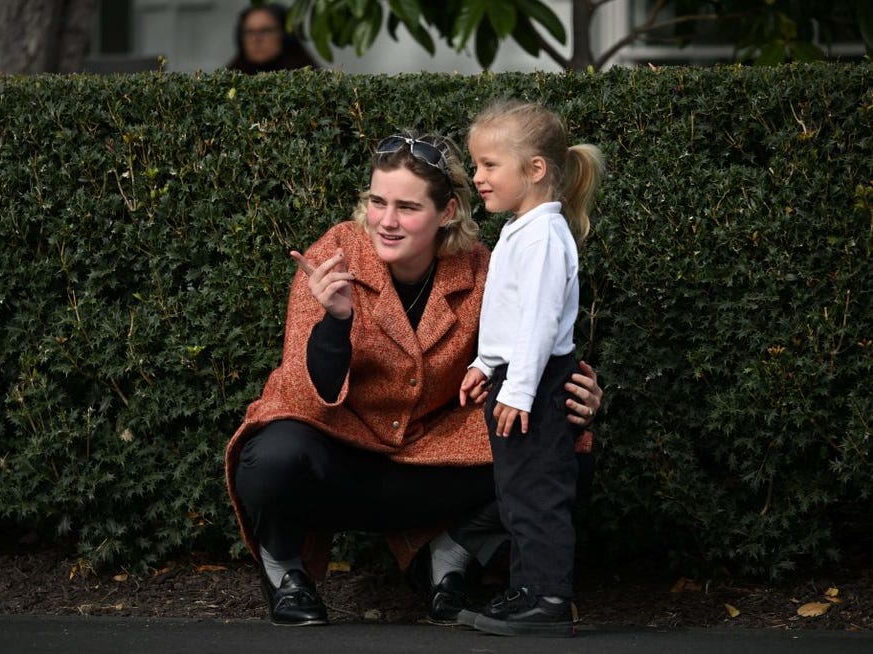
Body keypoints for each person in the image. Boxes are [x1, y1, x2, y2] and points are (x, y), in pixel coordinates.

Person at [224, 131, 603, 627]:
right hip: (335, 450)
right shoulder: (335, 252)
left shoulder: (482, 268)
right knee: (271, 456)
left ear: (446, 213)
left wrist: (573, 395)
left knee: (563, 450)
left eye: (407, 206)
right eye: (377, 201)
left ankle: (447, 559)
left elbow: (531, 339)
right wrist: (335, 322)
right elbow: (304, 392)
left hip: (427, 456)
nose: (386, 220)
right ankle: (284, 568)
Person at [455, 100, 606, 637]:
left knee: (538, 491)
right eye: (477, 166)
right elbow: (509, 316)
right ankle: (525, 591)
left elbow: (540, 325)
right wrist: (483, 363)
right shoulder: (523, 228)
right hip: (518, 377)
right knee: (516, 490)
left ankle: (547, 599)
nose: (479, 178)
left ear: (535, 169)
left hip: (537, 383)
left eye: (490, 166)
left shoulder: (543, 236)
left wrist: (516, 390)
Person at [226, 3, 319, 74]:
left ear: (284, 34)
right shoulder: (228, 81)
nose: (256, 39)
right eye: (249, 32)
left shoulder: (308, 79)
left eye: (265, 31)